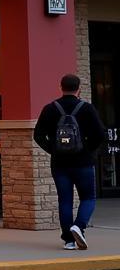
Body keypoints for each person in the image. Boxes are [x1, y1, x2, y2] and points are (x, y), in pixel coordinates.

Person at [34, 73, 106, 250]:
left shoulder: (50, 108)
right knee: (88, 197)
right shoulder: (87, 108)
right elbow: (100, 134)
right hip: (83, 162)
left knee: (64, 200)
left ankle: (69, 240)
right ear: (79, 88)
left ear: (61, 87)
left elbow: (38, 135)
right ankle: (79, 226)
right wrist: (88, 150)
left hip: (60, 163)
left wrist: (53, 149)